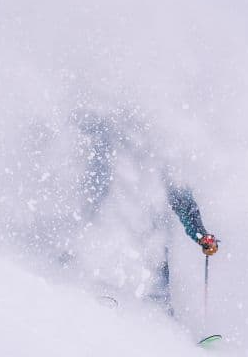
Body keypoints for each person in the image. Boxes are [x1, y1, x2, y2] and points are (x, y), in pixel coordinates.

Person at [71, 109, 218, 315]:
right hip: (108, 235)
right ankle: (91, 304)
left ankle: (161, 331)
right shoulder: (107, 143)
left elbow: (183, 202)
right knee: (104, 268)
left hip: (148, 242)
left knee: (155, 287)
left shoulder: (164, 157)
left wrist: (201, 235)